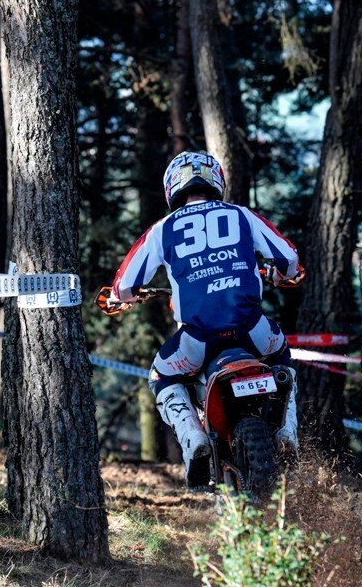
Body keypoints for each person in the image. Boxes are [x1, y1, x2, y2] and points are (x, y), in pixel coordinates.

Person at [105, 151, 302, 488]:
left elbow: (122, 286)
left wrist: (130, 295)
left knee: (161, 375)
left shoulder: (163, 229)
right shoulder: (241, 215)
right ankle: (287, 432)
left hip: (198, 340)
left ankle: (193, 437)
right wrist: (279, 275)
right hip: (252, 331)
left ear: (172, 188)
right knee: (281, 358)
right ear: (216, 181)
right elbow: (288, 258)